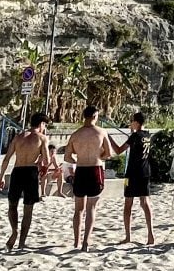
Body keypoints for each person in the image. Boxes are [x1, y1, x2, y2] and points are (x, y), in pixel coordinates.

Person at [0, 112, 49, 251]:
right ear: (41, 124)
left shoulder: (18, 137)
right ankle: (22, 242)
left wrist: (1, 176)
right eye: (44, 125)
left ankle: (14, 231)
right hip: (31, 172)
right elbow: (47, 161)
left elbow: (7, 158)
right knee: (28, 209)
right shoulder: (42, 138)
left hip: (17, 171)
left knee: (12, 205)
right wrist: (41, 166)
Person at [64, 105, 113, 251]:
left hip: (81, 170)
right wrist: (99, 157)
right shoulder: (101, 132)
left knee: (78, 209)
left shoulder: (76, 134)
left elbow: (67, 156)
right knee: (91, 207)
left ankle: (76, 241)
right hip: (95, 169)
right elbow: (108, 153)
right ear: (95, 116)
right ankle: (86, 241)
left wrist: (78, 160)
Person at [111, 111, 154, 245]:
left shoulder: (135, 136)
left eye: (132, 121)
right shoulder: (147, 135)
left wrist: (109, 138)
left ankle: (128, 236)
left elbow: (118, 150)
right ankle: (151, 235)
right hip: (145, 171)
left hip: (132, 173)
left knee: (128, 204)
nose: (130, 123)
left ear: (136, 122)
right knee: (145, 202)